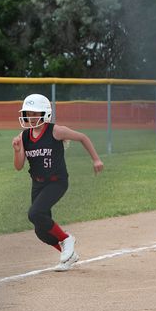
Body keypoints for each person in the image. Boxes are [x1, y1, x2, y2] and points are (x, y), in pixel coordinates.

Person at [12, 94, 104, 271]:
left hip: (57, 182)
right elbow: (18, 166)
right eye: (28, 114)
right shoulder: (23, 136)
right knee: (41, 231)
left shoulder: (56, 131)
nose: (30, 118)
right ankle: (69, 255)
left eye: (34, 114)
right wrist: (17, 151)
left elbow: (83, 137)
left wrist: (96, 160)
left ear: (44, 114)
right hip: (37, 184)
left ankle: (67, 239)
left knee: (34, 214)